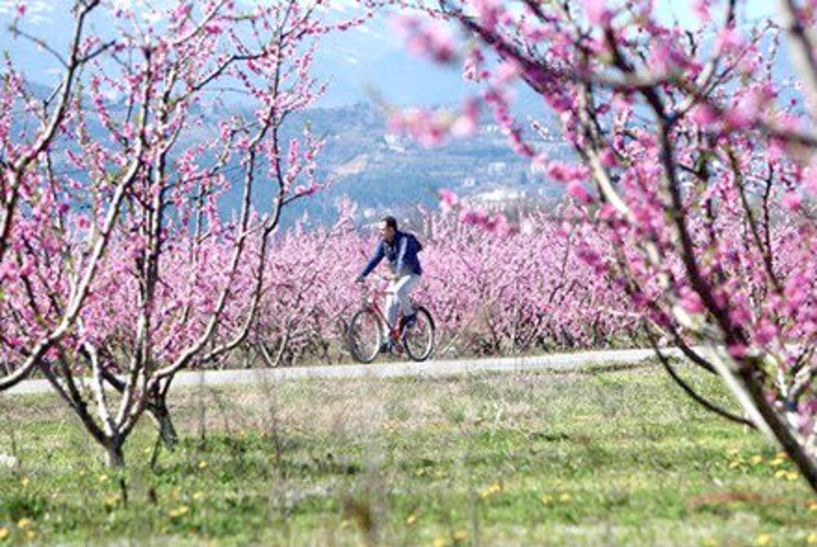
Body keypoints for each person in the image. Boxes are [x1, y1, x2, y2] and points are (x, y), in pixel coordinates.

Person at [356, 215, 423, 352]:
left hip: (412, 274)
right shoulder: (384, 243)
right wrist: (362, 275)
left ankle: (411, 317)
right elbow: (375, 259)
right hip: (397, 277)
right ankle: (389, 338)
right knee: (389, 303)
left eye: (383, 229)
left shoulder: (405, 240)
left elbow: (402, 259)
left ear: (392, 230)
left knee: (399, 291)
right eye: (379, 229)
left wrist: (397, 274)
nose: (380, 232)